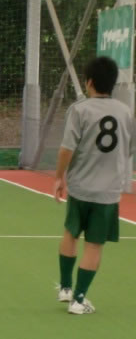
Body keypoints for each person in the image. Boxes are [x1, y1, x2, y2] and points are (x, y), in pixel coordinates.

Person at [54, 56, 135, 314]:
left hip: (80, 187)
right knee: (94, 244)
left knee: (71, 233)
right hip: (107, 192)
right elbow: (129, 149)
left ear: (89, 82)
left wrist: (59, 177)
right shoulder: (126, 112)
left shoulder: (79, 109)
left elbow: (67, 148)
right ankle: (79, 300)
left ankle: (65, 288)